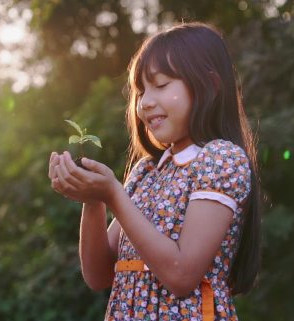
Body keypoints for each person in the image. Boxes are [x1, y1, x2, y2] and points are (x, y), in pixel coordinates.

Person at [48, 22, 261, 320]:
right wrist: (94, 201)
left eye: (160, 85)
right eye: (140, 91)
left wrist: (113, 194)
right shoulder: (147, 171)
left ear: (210, 87)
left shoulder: (220, 160)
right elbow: (98, 276)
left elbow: (182, 275)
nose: (145, 103)